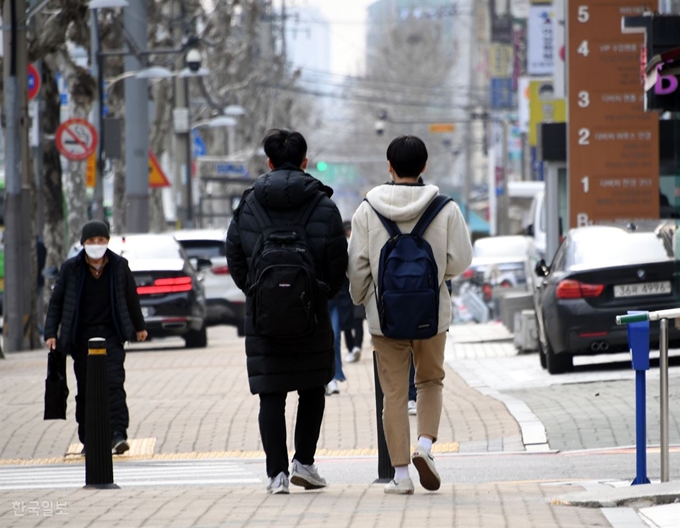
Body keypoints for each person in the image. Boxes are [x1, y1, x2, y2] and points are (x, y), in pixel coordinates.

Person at [347, 135, 472, 494]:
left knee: (394, 393)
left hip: (385, 317)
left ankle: (400, 477)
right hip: (433, 313)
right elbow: (461, 259)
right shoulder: (445, 208)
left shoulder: (368, 210)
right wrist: (435, 279)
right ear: (424, 167)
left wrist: (364, 300)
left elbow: (357, 267)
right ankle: (426, 447)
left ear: (389, 167)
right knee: (430, 381)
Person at [226, 129, 348, 495]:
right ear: (305, 161)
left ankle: (276, 475)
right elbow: (337, 263)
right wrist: (320, 292)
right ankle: (304, 464)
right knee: (312, 389)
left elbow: (234, 255)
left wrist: (256, 291)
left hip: (263, 318)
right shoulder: (323, 206)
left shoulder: (249, 204)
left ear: (269, 162)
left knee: (271, 394)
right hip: (312, 315)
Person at [44, 220, 148, 456]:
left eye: (100, 241)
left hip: (111, 334)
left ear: (107, 242)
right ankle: (88, 438)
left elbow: (131, 297)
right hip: (81, 337)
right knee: (87, 388)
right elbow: (56, 302)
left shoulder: (119, 266)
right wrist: (51, 333)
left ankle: (118, 434)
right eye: (91, 241)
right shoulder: (71, 268)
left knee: (114, 384)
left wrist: (139, 327)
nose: (96, 245)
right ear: (83, 244)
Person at [342, 221, 366, 364]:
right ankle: (351, 348)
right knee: (346, 323)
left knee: (358, 320)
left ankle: (357, 346)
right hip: (344, 291)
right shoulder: (342, 245)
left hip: (358, 287)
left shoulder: (359, 244)